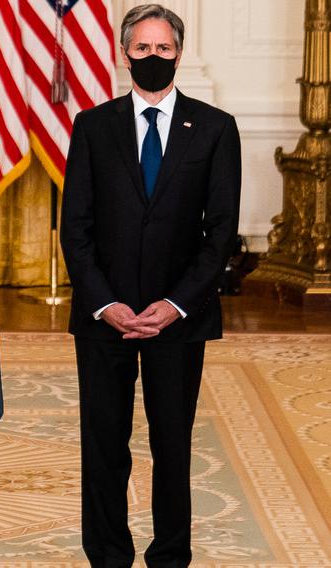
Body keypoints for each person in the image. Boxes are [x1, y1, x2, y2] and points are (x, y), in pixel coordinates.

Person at [59, 4, 241, 567]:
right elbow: (75, 229)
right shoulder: (92, 127)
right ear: (125, 54)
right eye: (143, 49)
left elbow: (222, 235)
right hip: (104, 319)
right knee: (105, 447)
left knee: (172, 447)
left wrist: (176, 304)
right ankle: (108, 557)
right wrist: (106, 303)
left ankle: (169, 558)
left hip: (178, 321)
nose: (153, 58)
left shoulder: (215, 128)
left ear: (179, 54)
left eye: (164, 49)